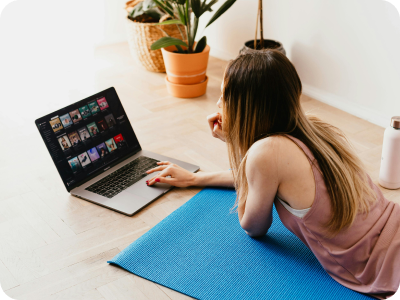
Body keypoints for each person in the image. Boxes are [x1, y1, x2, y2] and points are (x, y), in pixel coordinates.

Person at [145, 50, 400, 299]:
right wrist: (195, 179)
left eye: (224, 96)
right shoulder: (312, 128)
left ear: (246, 106)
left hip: (380, 266)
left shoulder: (266, 153)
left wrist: (237, 144)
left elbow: (253, 226)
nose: (217, 104)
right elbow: (262, 179)